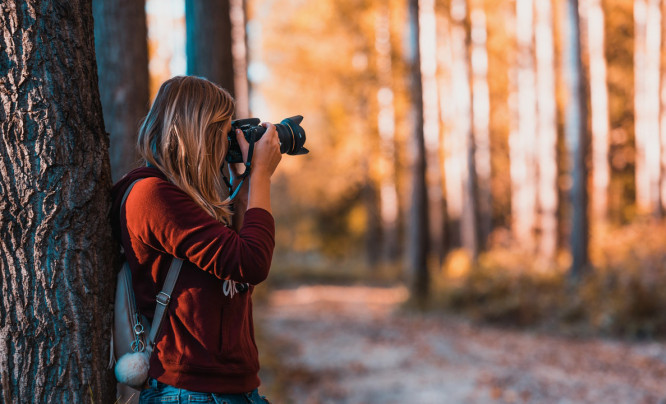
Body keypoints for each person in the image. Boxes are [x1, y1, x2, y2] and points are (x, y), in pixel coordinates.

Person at [111, 75, 280, 403]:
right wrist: (260, 176)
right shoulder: (153, 195)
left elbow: (239, 271)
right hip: (189, 391)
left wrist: (242, 180)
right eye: (223, 129)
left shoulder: (195, 199)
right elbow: (251, 263)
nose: (227, 140)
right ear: (200, 131)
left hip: (231, 389)